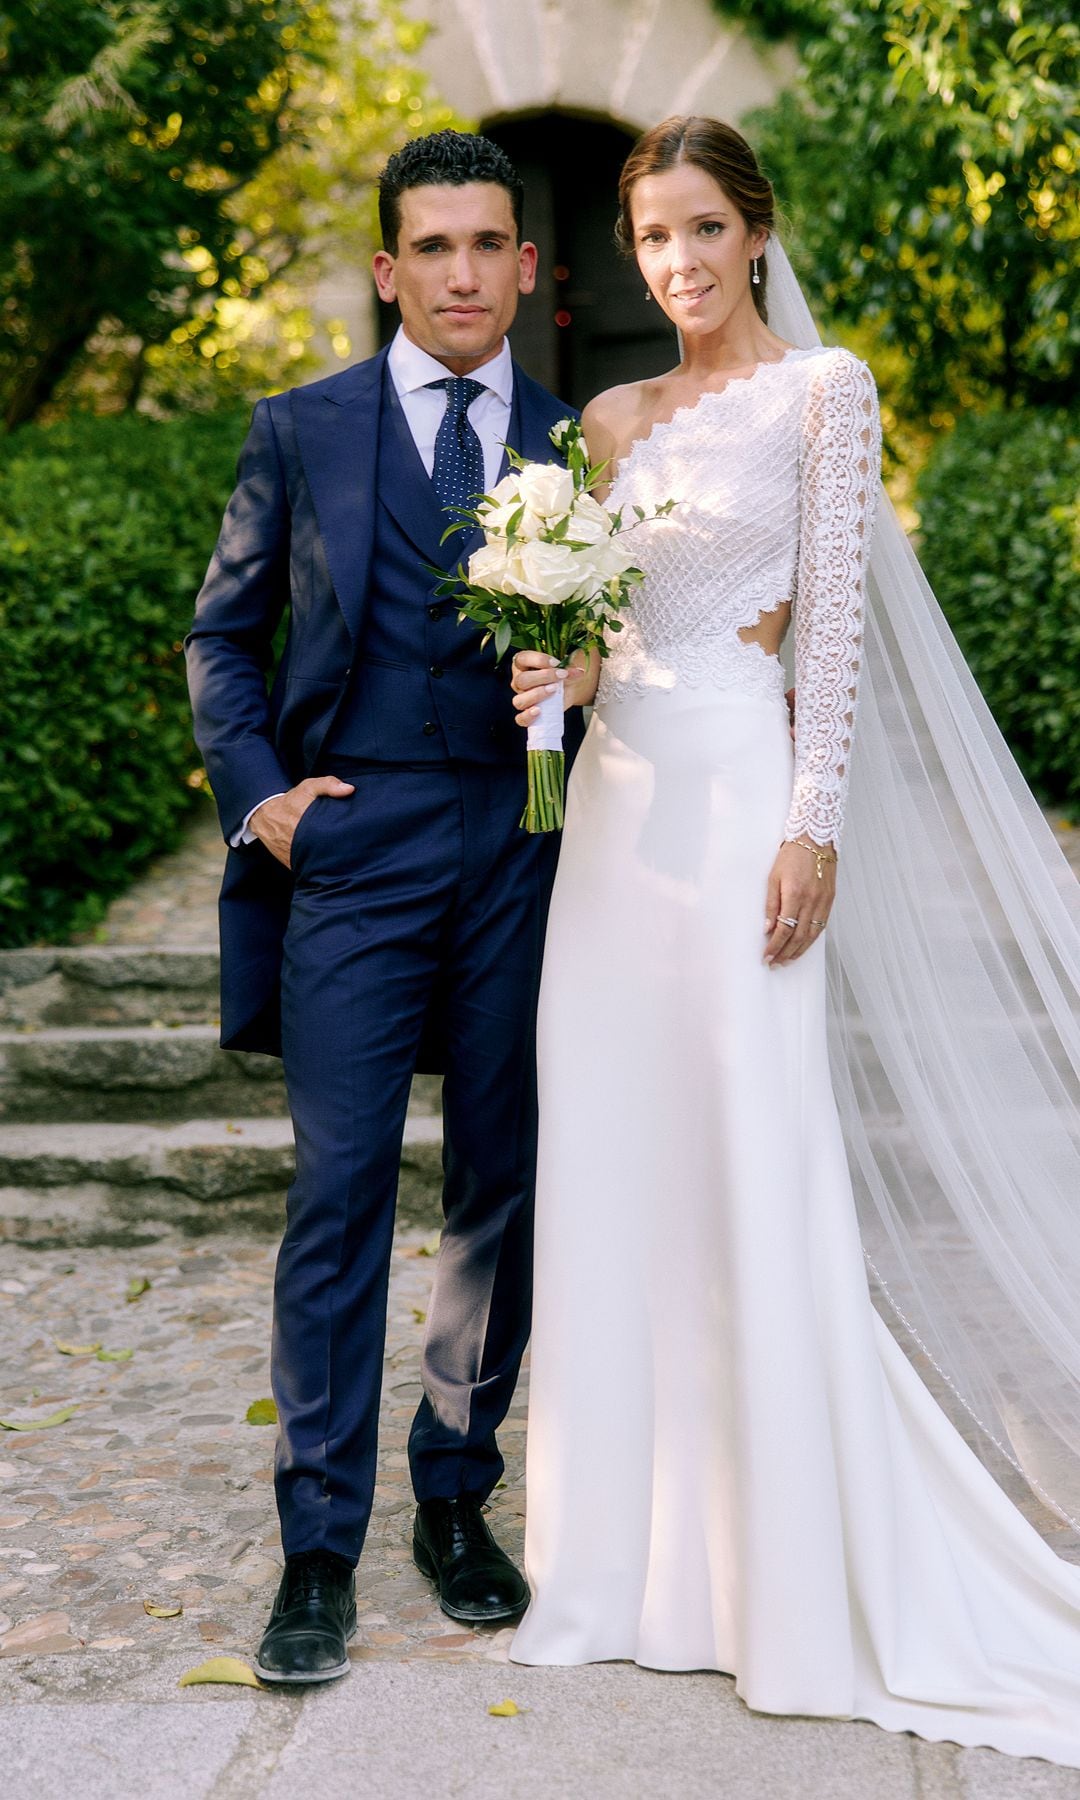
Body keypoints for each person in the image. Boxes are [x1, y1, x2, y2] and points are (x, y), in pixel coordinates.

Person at [508, 115, 1080, 1767]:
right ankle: (622, 1570)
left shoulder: (823, 395)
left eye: (702, 229)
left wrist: (811, 820)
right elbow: (607, 640)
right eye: (651, 237)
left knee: (757, 1151)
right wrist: (555, 677)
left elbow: (827, 624)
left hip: (746, 783)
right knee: (615, 1163)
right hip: (613, 821)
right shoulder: (609, 419)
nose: (676, 262)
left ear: (756, 233)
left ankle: (790, 1583)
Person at [186, 129, 586, 1684]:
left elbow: (624, 641)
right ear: (387, 269)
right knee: (340, 1189)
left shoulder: (576, 439)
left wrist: (586, 691)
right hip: (349, 843)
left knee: (499, 1180)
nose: (464, 272)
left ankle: (456, 1495)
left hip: (521, 845)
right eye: (434, 247)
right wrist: (259, 795)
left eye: (489, 244)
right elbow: (223, 639)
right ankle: (316, 1544)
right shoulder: (301, 429)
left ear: (528, 266)